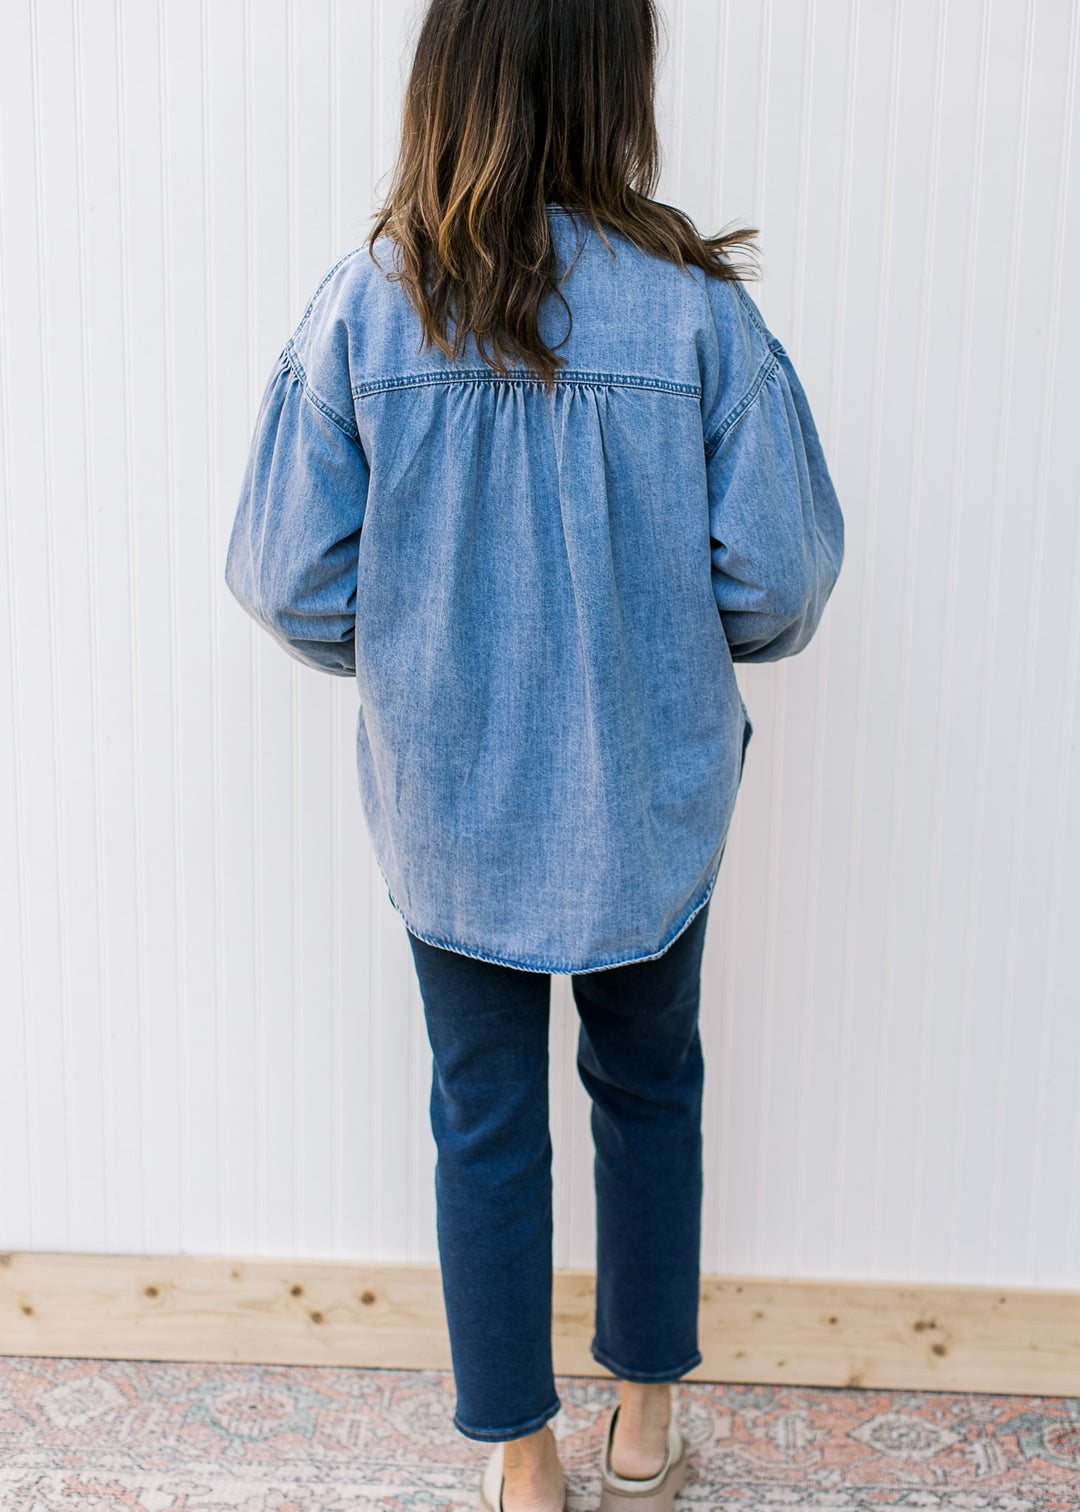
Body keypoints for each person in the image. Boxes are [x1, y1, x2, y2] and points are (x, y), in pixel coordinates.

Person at [225, 0, 844, 1506]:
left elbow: (283, 575)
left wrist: (425, 659)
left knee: (481, 1117)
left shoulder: (370, 305)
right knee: (650, 1088)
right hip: (647, 804)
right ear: (617, 82)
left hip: (452, 808)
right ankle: (644, 1419)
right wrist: (671, 647)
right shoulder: (695, 311)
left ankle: (521, 1454)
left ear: (450, 80)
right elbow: (785, 580)